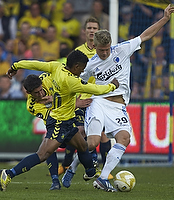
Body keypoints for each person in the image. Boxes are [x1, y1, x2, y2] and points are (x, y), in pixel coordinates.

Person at [79, 4, 174, 192]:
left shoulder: (122, 50)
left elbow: (145, 35)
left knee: (124, 138)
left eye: (107, 49)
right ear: (95, 47)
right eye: (101, 50)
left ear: (110, 45)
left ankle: (103, 178)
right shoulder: (91, 64)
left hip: (118, 106)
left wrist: (164, 19)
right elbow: (78, 82)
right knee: (92, 144)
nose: (105, 53)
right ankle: (74, 160)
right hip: (98, 102)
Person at [0, 49, 119, 191]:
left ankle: (91, 172)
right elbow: (95, 89)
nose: (82, 72)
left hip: (67, 121)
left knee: (83, 146)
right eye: (82, 69)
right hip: (58, 123)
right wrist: (112, 86)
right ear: (76, 66)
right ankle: (9, 173)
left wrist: (16, 66)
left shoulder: (56, 67)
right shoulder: (70, 81)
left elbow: (35, 64)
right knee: (43, 154)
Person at [61, 17, 114, 187]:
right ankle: (69, 165)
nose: (92, 31)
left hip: (101, 99)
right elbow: (71, 77)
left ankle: (103, 171)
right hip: (84, 98)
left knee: (102, 137)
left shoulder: (107, 52)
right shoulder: (79, 52)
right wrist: (74, 99)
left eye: (95, 28)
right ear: (84, 31)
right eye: (89, 28)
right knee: (79, 133)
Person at [23, 72, 93, 190]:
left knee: (81, 132)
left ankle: (73, 168)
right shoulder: (32, 104)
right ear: (29, 93)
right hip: (57, 119)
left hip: (73, 107)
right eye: (36, 93)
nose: (40, 94)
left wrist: (55, 99)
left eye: (41, 90)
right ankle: (55, 180)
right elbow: (53, 115)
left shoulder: (48, 77)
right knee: (49, 147)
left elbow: (66, 85)